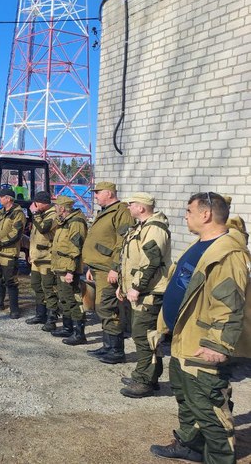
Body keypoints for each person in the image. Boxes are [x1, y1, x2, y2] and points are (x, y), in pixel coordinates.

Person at [150, 192, 250, 463]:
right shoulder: (202, 244)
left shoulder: (226, 252)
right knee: (187, 399)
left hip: (202, 343)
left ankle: (219, 458)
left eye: (189, 210)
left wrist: (217, 344)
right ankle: (190, 446)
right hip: (184, 337)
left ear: (206, 214)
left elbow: (229, 303)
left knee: (209, 408)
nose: (185, 215)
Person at [115, 192, 171, 397]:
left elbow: (151, 262)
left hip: (149, 293)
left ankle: (145, 380)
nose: (128, 208)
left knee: (144, 336)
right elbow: (128, 259)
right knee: (143, 335)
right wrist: (122, 285)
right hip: (139, 291)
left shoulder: (154, 229)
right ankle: (146, 374)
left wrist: (137, 287)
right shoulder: (141, 227)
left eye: (131, 204)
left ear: (141, 207)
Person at [83, 181, 135, 363]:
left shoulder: (121, 212)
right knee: (102, 308)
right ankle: (107, 347)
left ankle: (116, 351)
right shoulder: (105, 212)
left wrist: (115, 268)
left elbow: (122, 243)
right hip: (98, 268)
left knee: (108, 308)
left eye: (98, 193)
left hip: (108, 269)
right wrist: (91, 267)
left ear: (109, 193)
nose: (95, 196)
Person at [50, 195, 89, 344]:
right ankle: (68, 328)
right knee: (64, 298)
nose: (55, 208)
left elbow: (76, 248)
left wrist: (70, 271)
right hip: (61, 265)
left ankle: (79, 333)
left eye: (57, 206)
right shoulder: (64, 221)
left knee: (73, 299)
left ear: (63, 208)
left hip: (68, 267)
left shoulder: (76, 222)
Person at [0, 187, 26, 318]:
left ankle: (14, 309)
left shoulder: (18, 214)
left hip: (8, 253)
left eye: (1, 197)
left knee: (11, 281)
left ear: (8, 199)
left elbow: (16, 233)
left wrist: (1, 243)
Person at [26, 191, 59, 328]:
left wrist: (35, 214)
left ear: (42, 203)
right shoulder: (42, 214)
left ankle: (52, 318)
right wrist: (30, 253)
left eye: (36, 203)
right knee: (36, 285)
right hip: (37, 257)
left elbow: (44, 228)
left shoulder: (53, 215)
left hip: (47, 258)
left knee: (48, 288)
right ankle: (40, 314)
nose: (34, 205)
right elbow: (34, 236)